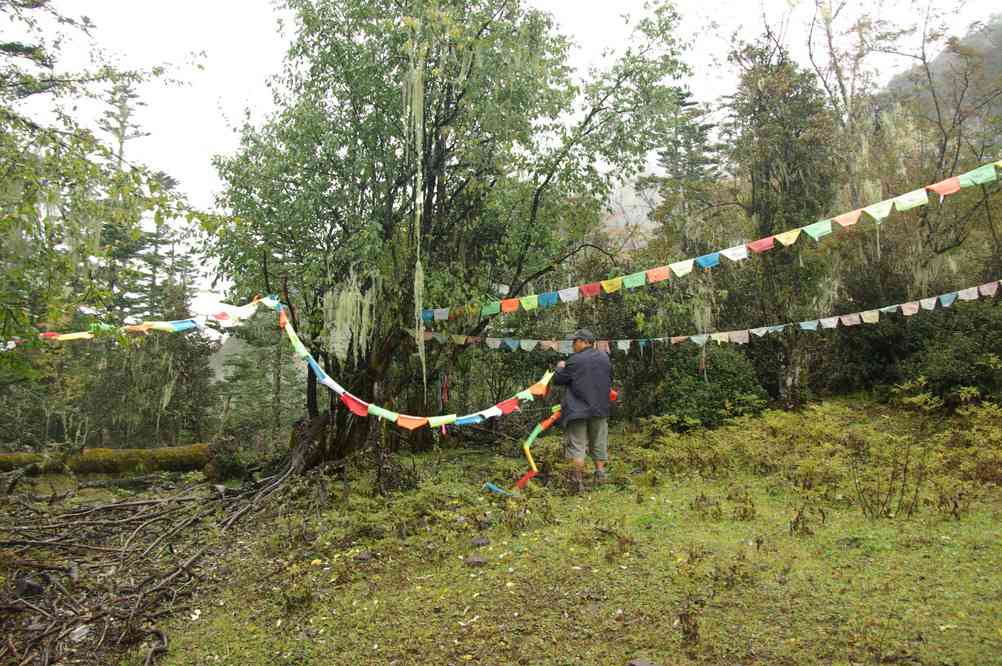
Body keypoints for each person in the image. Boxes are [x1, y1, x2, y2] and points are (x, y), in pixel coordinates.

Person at [553, 328, 612, 492]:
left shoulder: (574, 360)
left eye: (574, 341)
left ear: (583, 342)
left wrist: (560, 367)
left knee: (577, 446)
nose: (572, 345)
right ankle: (600, 474)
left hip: (577, 410)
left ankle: (577, 482)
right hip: (600, 408)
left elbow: (559, 379)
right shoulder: (604, 357)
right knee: (599, 442)